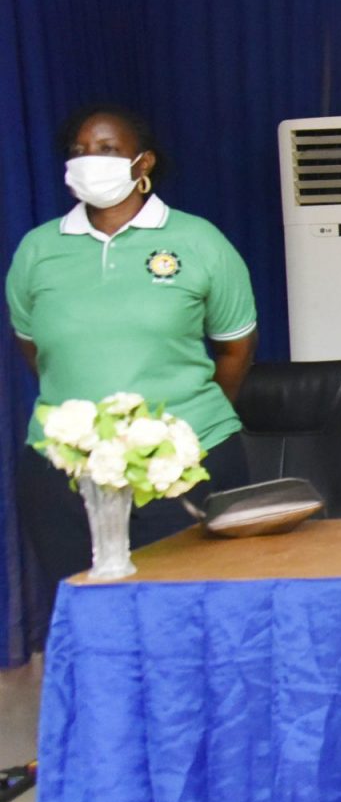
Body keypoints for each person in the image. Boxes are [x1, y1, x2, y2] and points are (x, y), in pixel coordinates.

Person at [8, 104, 255, 636]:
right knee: (85, 620)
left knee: (183, 621)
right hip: (63, 470)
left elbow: (235, 349)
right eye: (78, 150)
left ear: (143, 162)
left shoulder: (199, 242)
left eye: (106, 149)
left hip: (184, 465)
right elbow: (34, 347)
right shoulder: (38, 249)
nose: (88, 160)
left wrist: (184, 427)